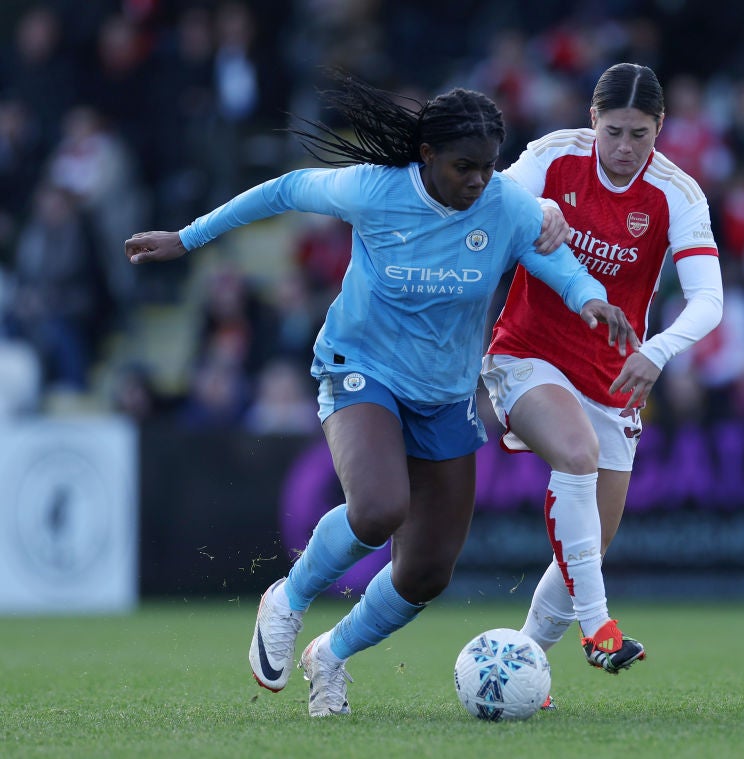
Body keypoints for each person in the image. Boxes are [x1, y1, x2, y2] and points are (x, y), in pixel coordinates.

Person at [124, 74, 637, 718]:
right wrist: (188, 237)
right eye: (463, 168)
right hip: (360, 367)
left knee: (427, 574)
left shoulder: (506, 206)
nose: (477, 180)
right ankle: (288, 600)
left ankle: (330, 656)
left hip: (446, 396)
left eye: (487, 167)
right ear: (427, 156)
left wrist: (590, 297)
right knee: (378, 509)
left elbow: (553, 260)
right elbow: (285, 189)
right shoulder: (374, 189)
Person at [482, 63, 724, 702]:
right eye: (613, 130)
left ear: (659, 129)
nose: (624, 148)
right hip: (526, 354)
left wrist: (661, 351)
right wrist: (534, 207)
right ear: (592, 121)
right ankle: (599, 630)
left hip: (612, 377)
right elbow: (495, 200)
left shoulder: (677, 194)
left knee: (589, 542)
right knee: (575, 455)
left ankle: (520, 663)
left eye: (639, 134)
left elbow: (709, 299)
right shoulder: (554, 157)